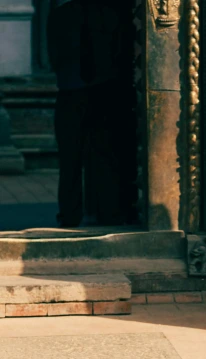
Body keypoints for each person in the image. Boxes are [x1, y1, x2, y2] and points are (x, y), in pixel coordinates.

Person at [47, 0, 134, 227]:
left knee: (75, 160)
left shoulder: (61, 15)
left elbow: (54, 56)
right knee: (95, 157)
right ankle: (104, 213)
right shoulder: (108, 13)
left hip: (79, 92)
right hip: (93, 91)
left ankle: (73, 214)